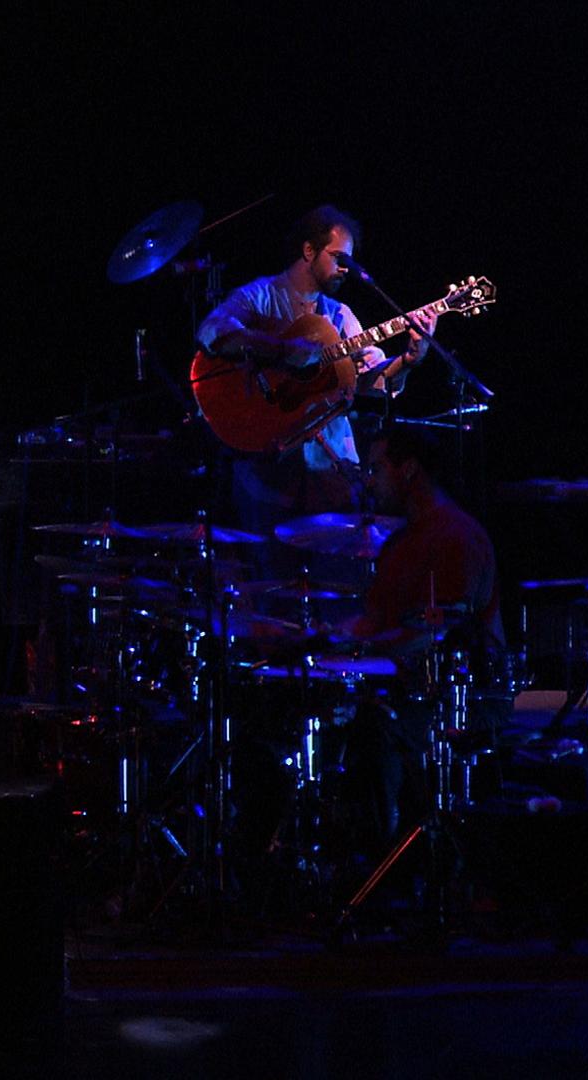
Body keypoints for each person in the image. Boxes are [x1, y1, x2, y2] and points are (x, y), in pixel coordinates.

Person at [196, 204, 435, 539]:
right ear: (309, 251)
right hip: (268, 478)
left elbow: (373, 379)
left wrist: (410, 360)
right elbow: (212, 330)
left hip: (331, 475)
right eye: (339, 258)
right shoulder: (260, 297)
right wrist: (280, 349)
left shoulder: (340, 316)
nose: (345, 270)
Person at [337, 425, 502, 841]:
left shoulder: (455, 537)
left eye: (375, 469)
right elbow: (374, 622)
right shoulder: (398, 544)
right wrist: (318, 640)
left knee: (369, 732)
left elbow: (442, 633)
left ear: (408, 470)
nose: (368, 482)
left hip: (456, 700)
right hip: (405, 694)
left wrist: (365, 650)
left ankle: (386, 858)